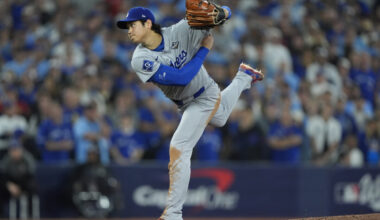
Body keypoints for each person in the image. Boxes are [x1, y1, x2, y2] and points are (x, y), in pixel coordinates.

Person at [116, 5, 264, 220]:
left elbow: (222, 12)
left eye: (132, 25)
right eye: (127, 27)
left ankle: (173, 214)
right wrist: (204, 50)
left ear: (148, 23)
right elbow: (181, 78)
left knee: (179, 146)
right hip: (186, 102)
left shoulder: (179, 31)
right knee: (221, 118)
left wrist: (221, 13)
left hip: (205, 95)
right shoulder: (139, 58)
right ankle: (243, 77)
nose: (129, 30)